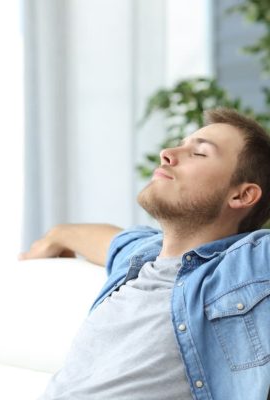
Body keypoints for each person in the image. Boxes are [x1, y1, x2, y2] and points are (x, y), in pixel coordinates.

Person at [19, 108, 270, 400]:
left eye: (199, 153)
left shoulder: (247, 266)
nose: (167, 153)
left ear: (241, 195)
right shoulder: (141, 257)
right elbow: (106, 239)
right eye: (181, 143)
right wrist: (56, 236)